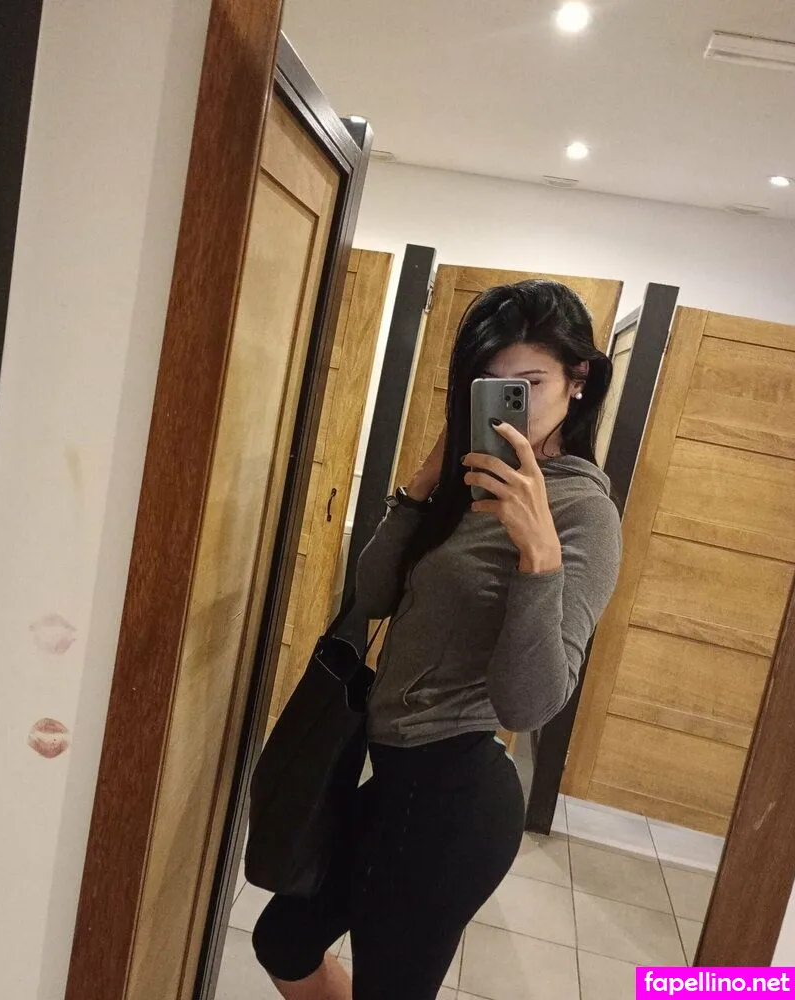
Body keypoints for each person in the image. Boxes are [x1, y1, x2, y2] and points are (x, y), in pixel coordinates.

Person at [253, 279, 622, 1000]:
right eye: (490, 386)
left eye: (530, 383)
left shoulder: (583, 512)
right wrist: (423, 485)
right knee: (283, 940)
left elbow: (528, 704)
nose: (511, 404)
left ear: (579, 379)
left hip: (454, 796)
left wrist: (538, 554)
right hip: (394, 776)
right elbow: (374, 597)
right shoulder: (467, 482)